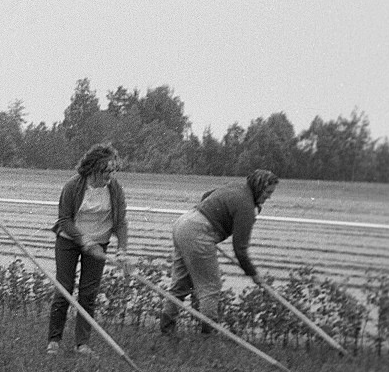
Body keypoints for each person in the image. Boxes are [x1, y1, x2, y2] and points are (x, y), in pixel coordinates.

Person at [159, 168, 280, 335]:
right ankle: (208, 337)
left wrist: (207, 225)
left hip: (184, 222)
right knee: (211, 287)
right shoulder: (246, 207)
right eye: (267, 192)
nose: (269, 196)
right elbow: (240, 249)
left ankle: (166, 330)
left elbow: (206, 195)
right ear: (259, 187)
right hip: (197, 234)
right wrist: (253, 273)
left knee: (180, 284)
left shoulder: (237, 187)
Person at [46, 143, 131, 355]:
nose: (110, 175)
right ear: (93, 168)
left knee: (89, 293)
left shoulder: (115, 189)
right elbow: (64, 220)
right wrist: (84, 241)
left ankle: (82, 344)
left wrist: (122, 250)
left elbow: (120, 222)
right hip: (69, 240)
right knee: (64, 289)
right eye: (106, 171)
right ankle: (54, 340)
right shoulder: (73, 186)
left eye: (113, 170)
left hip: (99, 243)